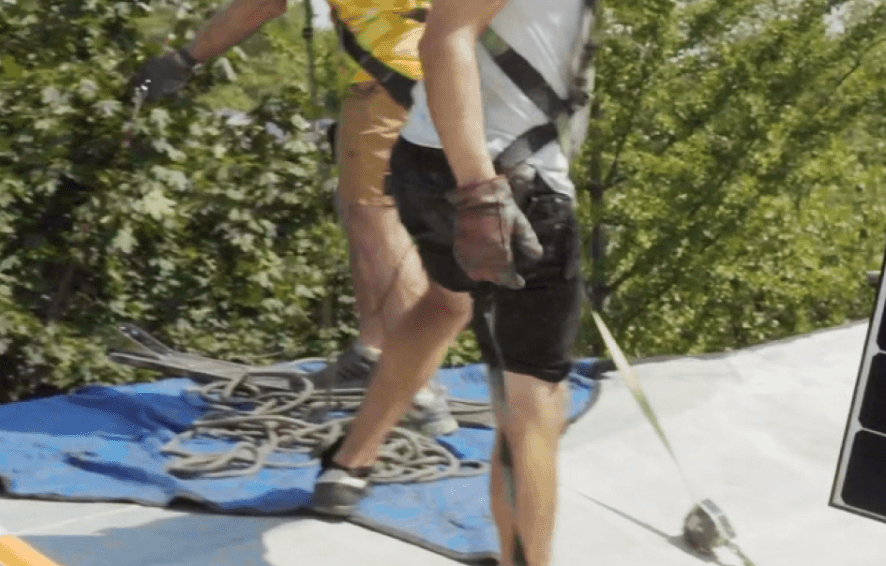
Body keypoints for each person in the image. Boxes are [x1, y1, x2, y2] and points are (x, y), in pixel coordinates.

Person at [307, 0, 597, 561]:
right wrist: (481, 196)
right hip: (501, 182)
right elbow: (446, 38)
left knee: (445, 302)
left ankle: (351, 461)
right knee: (534, 398)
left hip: (434, 165)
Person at [129, 0, 457, 433]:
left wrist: (185, 59)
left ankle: (414, 389)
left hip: (393, 74)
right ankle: (373, 354)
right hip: (446, 68)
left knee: (376, 216)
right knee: (365, 209)